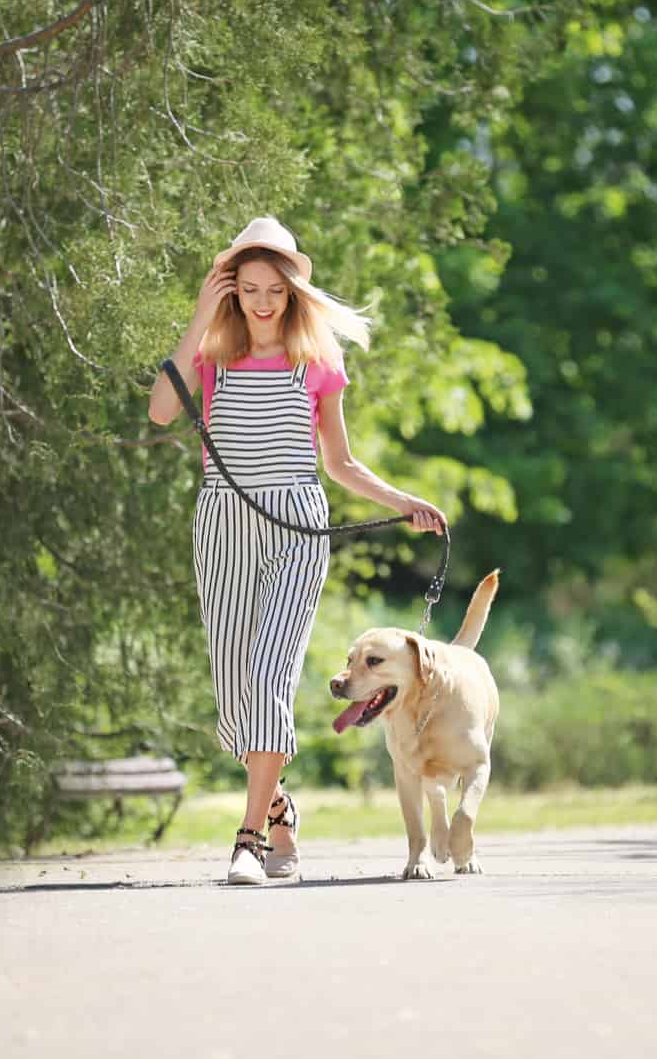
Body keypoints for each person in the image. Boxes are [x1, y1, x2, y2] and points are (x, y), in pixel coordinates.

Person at [148, 217, 446, 885]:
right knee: (233, 691)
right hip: (223, 522)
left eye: (273, 289)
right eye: (247, 287)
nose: (260, 301)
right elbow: (161, 412)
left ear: (289, 293)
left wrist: (403, 503)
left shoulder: (318, 361)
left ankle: (249, 839)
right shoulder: (214, 355)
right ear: (231, 290)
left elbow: (339, 463)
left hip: (295, 526)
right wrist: (199, 313)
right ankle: (279, 805)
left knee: (269, 678)